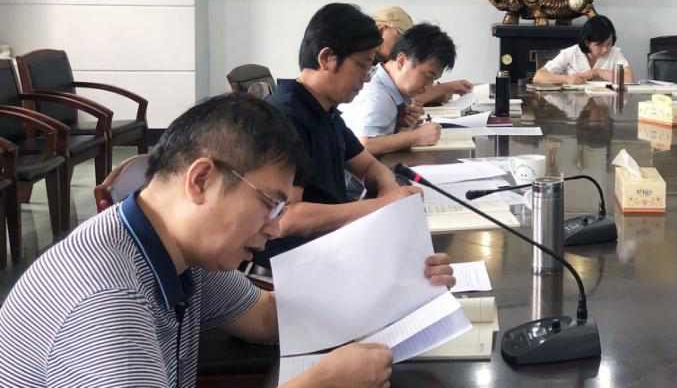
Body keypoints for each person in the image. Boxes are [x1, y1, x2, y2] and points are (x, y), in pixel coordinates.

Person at [0, 94, 454, 387]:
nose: (275, 228)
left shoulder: (174, 248)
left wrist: (398, 281)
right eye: (270, 204)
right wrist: (319, 384)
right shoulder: (109, 301)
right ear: (201, 180)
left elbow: (267, 317)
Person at [253, 3, 428, 265]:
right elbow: (286, 218)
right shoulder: (287, 118)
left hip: (332, 244)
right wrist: (383, 205)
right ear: (326, 58)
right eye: (363, 65)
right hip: (297, 263)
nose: (367, 78)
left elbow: (368, 165)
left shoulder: (325, 110)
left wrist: (389, 190)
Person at [341, 23, 458, 155]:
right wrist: (416, 137)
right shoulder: (377, 95)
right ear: (402, 61)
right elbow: (364, 146)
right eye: (428, 76)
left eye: (434, 79)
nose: (428, 86)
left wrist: (399, 126)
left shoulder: (385, 84)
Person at [373, 6, 473, 106]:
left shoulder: (385, 63)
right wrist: (444, 89)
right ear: (381, 30)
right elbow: (409, 95)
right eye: (399, 37)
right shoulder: (369, 68)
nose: (402, 45)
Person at [533, 15, 633, 85]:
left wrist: (598, 72)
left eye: (609, 43)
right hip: (574, 105)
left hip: (606, 105)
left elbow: (629, 79)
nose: (605, 49)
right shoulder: (571, 52)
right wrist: (568, 79)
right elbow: (538, 77)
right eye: (600, 45)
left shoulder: (615, 53)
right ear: (587, 42)